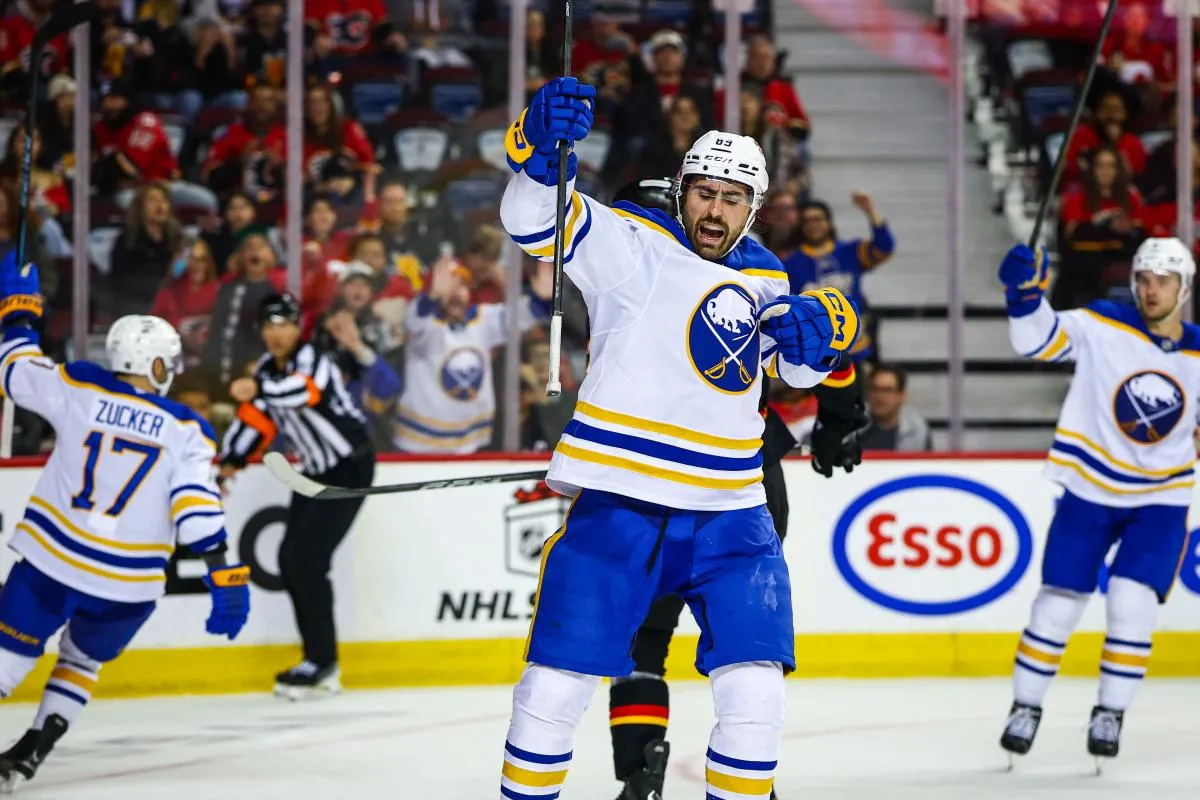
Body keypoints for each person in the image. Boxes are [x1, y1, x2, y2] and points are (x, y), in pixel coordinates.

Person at [496, 77, 859, 800]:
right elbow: (534, 220)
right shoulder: (633, 244)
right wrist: (535, 152)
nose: (714, 210)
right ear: (682, 191)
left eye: (732, 199)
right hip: (622, 503)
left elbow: (790, 365)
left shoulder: (767, 275)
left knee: (757, 697)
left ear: (754, 209)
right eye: (704, 192)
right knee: (555, 686)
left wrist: (826, 338)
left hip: (733, 512)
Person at [602, 179, 865, 799]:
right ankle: (747, 773)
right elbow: (816, 343)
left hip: (671, 488)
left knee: (642, 637)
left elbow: (812, 339)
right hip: (745, 485)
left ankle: (641, 772)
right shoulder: (743, 277)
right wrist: (843, 416)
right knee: (744, 643)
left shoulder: (631, 280)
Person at [0, 252, 250, 792]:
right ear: (155, 365)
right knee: (82, 662)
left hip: (51, 564)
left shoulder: (80, 385)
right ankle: (31, 751)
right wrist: (223, 574)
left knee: (8, 656)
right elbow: (195, 512)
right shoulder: (188, 429)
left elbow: (14, 372)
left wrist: (18, 314)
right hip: (127, 588)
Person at [996, 238, 1200, 767]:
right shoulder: (1103, 322)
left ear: (1184, 288)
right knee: (1057, 604)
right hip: (1090, 488)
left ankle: (1110, 713)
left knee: (1133, 605)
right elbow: (1037, 342)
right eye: (1144, 279)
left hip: (1161, 499)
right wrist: (1023, 296)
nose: (1151, 290)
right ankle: (1025, 706)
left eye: (1163, 280)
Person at [217, 293, 374, 700]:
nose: (276, 333)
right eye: (269, 325)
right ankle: (319, 660)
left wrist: (257, 387)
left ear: (297, 327)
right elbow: (257, 420)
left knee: (307, 561)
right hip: (314, 472)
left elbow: (302, 393)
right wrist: (229, 461)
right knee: (292, 560)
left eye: (284, 324)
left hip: (349, 467)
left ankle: (322, 662)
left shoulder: (314, 360)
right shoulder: (267, 370)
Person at [393, 257, 549, 454]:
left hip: (470, 444)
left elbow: (523, 316)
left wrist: (543, 300)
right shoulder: (425, 325)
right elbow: (414, 319)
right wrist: (432, 296)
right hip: (418, 445)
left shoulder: (482, 320)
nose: (455, 293)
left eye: (461, 286)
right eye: (449, 287)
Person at [784, 192, 895, 362]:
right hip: (817, 354)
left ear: (829, 222)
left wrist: (870, 210)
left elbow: (884, 247)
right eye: (807, 221)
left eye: (818, 219)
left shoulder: (849, 251)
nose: (813, 225)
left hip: (857, 349)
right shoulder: (790, 264)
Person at [859, 364, 932, 452]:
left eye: (887, 390)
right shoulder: (853, 426)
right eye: (875, 389)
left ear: (902, 395)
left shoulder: (918, 430)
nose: (879, 396)